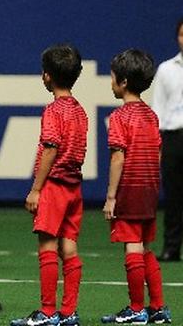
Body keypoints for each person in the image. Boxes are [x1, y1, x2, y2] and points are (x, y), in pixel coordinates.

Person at [10, 44, 88, 326]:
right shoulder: (80, 111)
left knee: (47, 246)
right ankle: (69, 313)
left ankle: (46, 312)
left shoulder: (54, 110)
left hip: (54, 187)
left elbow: (50, 148)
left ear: (46, 76)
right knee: (69, 247)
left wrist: (36, 188)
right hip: (74, 188)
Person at [100, 49, 171, 325]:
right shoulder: (151, 116)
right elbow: (158, 152)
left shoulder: (120, 117)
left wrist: (110, 196)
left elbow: (118, 157)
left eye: (113, 77)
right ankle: (158, 307)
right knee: (145, 247)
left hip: (129, 189)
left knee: (132, 246)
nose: (111, 81)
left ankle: (136, 307)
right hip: (150, 189)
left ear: (124, 82)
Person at [152, 18, 183, 263]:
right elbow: (158, 110)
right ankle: (171, 248)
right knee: (173, 196)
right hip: (173, 137)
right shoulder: (166, 69)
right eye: (182, 35)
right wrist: (157, 146)